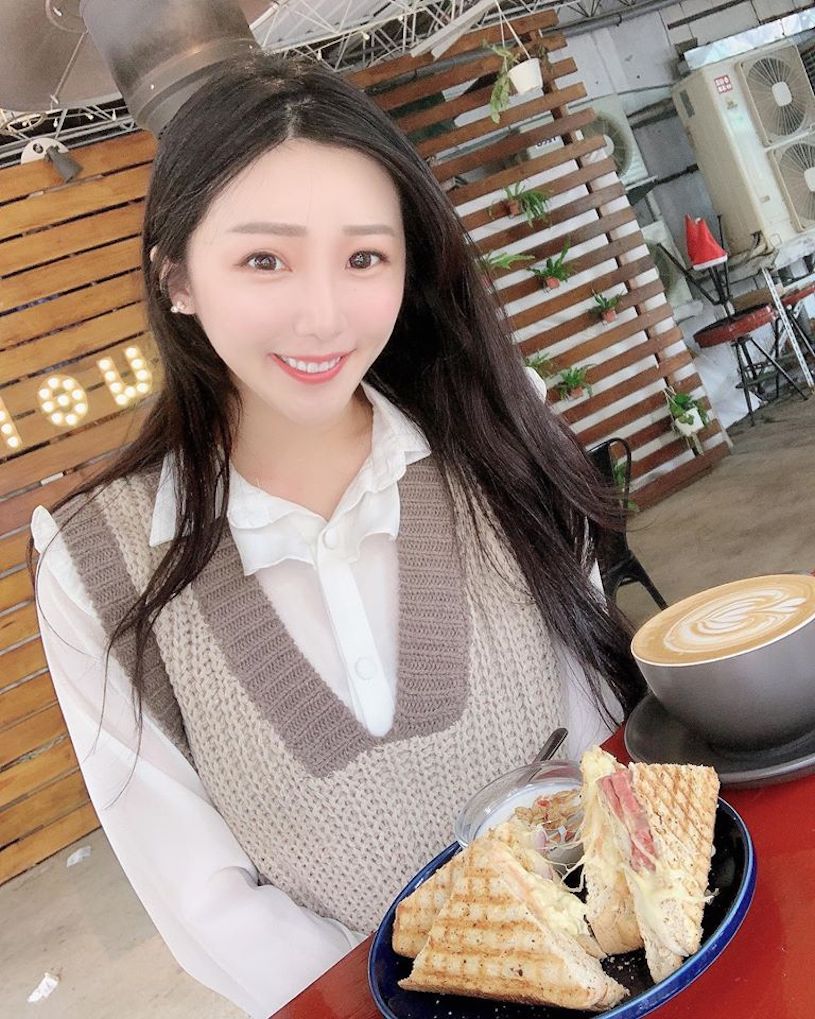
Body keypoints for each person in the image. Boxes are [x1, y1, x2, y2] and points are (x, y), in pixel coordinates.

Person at [32, 53, 645, 1018]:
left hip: (624, 973)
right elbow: (203, 897)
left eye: (364, 258)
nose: (322, 316)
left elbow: (596, 735)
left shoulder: (496, 436)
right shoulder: (95, 560)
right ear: (176, 277)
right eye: (263, 260)